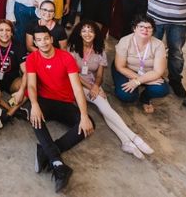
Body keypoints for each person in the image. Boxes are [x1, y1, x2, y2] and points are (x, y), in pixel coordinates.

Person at [68, 20, 154, 158]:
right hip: (76, 85)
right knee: (104, 107)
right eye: (84, 31)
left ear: (96, 34)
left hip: (92, 84)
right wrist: (92, 88)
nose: (87, 34)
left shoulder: (100, 50)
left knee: (106, 110)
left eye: (91, 31)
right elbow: (73, 74)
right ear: (79, 33)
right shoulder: (72, 49)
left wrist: (97, 86)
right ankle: (133, 136)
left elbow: (100, 75)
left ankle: (126, 142)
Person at [27, 25, 94, 192]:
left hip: (65, 102)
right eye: (39, 40)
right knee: (33, 115)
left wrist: (84, 115)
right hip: (45, 101)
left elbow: (77, 88)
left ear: (51, 39)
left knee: (89, 123)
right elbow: (31, 86)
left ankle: (46, 152)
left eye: (46, 38)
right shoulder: (32, 58)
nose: (43, 42)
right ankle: (58, 164)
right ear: (35, 42)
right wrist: (34, 105)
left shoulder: (66, 57)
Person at [113, 15, 170, 113]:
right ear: (134, 28)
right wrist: (144, 81)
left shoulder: (158, 44)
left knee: (162, 90)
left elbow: (158, 71)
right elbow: (120, 67)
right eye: (141, 26)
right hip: (126, 70)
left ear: (153, 30)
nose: (145, 30)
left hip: (149, 72)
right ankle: (129, 88)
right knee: (126, 96)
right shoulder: (125, 41)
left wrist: (138, 81)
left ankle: (145, 98)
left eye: (149, 27)